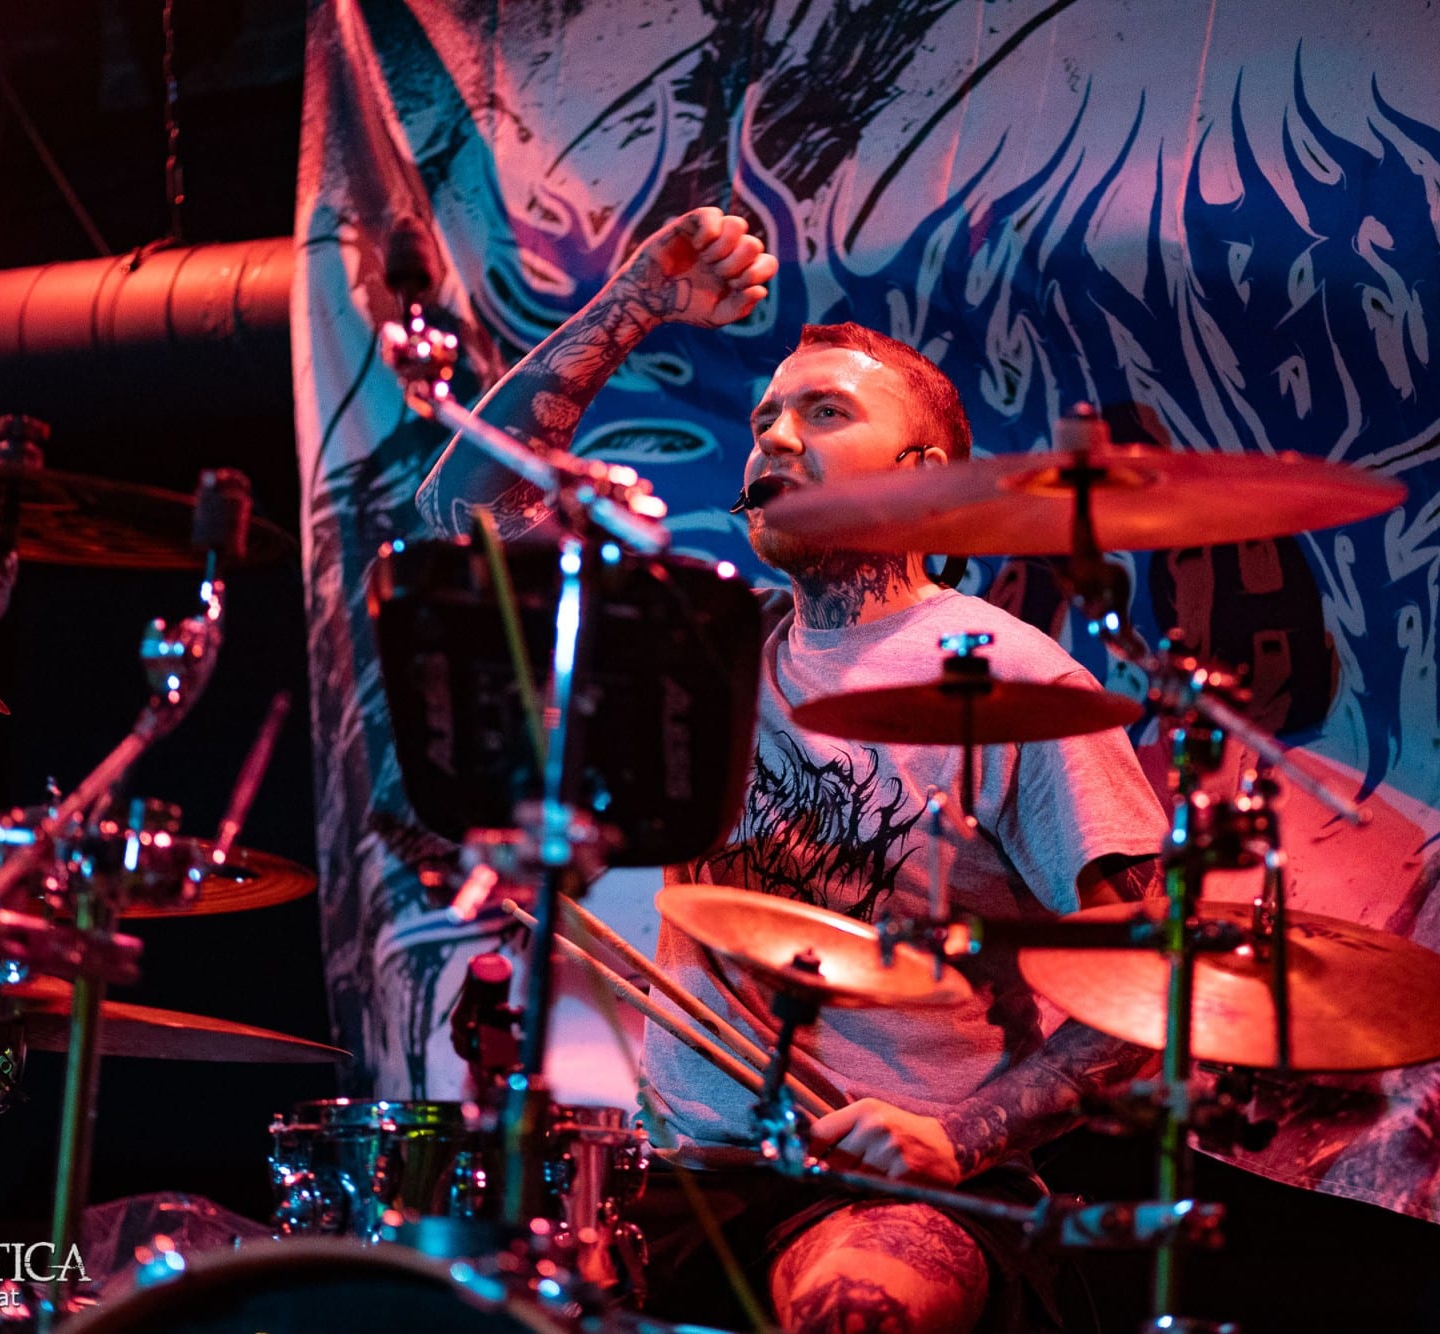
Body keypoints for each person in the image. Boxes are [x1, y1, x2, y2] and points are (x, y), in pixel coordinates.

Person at [415, 207, 1167, 1333]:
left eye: (823, 412)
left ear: (924, 475)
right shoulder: (705, 649)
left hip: (894, 1184)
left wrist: (959, 1138)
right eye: (764, 415)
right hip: (678, 1177)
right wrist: (634, 303)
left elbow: (1154, 980)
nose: (772, 435)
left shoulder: (1015, 680)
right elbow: (461, 512)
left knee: (857, 1314)